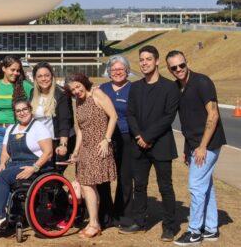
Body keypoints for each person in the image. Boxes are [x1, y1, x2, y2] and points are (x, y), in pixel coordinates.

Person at [121, 45, 179, 242]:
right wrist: (139, 136)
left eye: (148, 59)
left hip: (161, 144)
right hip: (138, 145)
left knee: (165, 187)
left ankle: (169, 226)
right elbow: (130, 114)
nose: (144, 63)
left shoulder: (170, 87)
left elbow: (168, 117)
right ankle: (139, 221)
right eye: (141, 59)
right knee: (140, 186)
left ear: (156, 61)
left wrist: (148, 137)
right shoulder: (135, 87)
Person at [166, 51, 225, 245]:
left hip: (207, 144)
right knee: (206, 186)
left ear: (186, 62)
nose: (179, 70)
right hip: (194, 145)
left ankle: (194, 232)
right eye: (174, 67)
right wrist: (187, 148)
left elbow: (213, 114)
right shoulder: (177, 87)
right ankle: (210, 229)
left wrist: (201, 146)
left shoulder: (202, 82)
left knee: (196, 186)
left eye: (181, 65)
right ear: (169, 69)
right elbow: (187, 122)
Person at [0, 100, 52, 234]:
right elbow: (5, 152)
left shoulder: (39, 127)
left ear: (30, 109)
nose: (22, 113)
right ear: (15, 113)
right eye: (18, 111)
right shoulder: (11, 129)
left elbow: (48, 152)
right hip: (14, 165)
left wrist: (34, 167)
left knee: (3, 176)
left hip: (35, 166)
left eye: (25, 109)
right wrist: (2, 163)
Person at [68, 73, 118, 238]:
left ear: (83, 82)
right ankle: (94, 221)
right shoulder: (78, 102)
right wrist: (76, 151)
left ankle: (94, 223)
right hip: (85, 148)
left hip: (99, 146)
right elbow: (80, 130)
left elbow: (113, 116)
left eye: (77, 86)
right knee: (85, 185)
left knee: (88, 184)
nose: (76, 91)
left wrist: (106, 140)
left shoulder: (97, 93)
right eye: (72, 89)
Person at [98, 55, 135, 228]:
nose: (117, 72)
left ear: (127, 70)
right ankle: (106, 214)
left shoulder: (133, 89)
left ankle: (124, 214)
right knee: (103, 177)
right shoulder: (103, 89)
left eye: (121, 69)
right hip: (105, 138)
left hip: (127, 137)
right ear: (109, 72)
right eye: (114, 70)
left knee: (124, 177)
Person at [0, 55, 34, 165]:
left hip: (17, 130)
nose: (16, 73)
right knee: (3, 163)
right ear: (4, 69)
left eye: (18, 70)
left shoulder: (25, 86)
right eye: (12, 70)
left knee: (15, 162)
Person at [29, 62, 72, 160]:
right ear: (35, 79)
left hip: (54, 142)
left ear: (52, 76)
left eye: (46, 75)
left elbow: (64, 121)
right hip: (36, 142)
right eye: (39, 76)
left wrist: (63, 144)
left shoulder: (61, 94)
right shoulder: (32, 93)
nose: (43, 79)